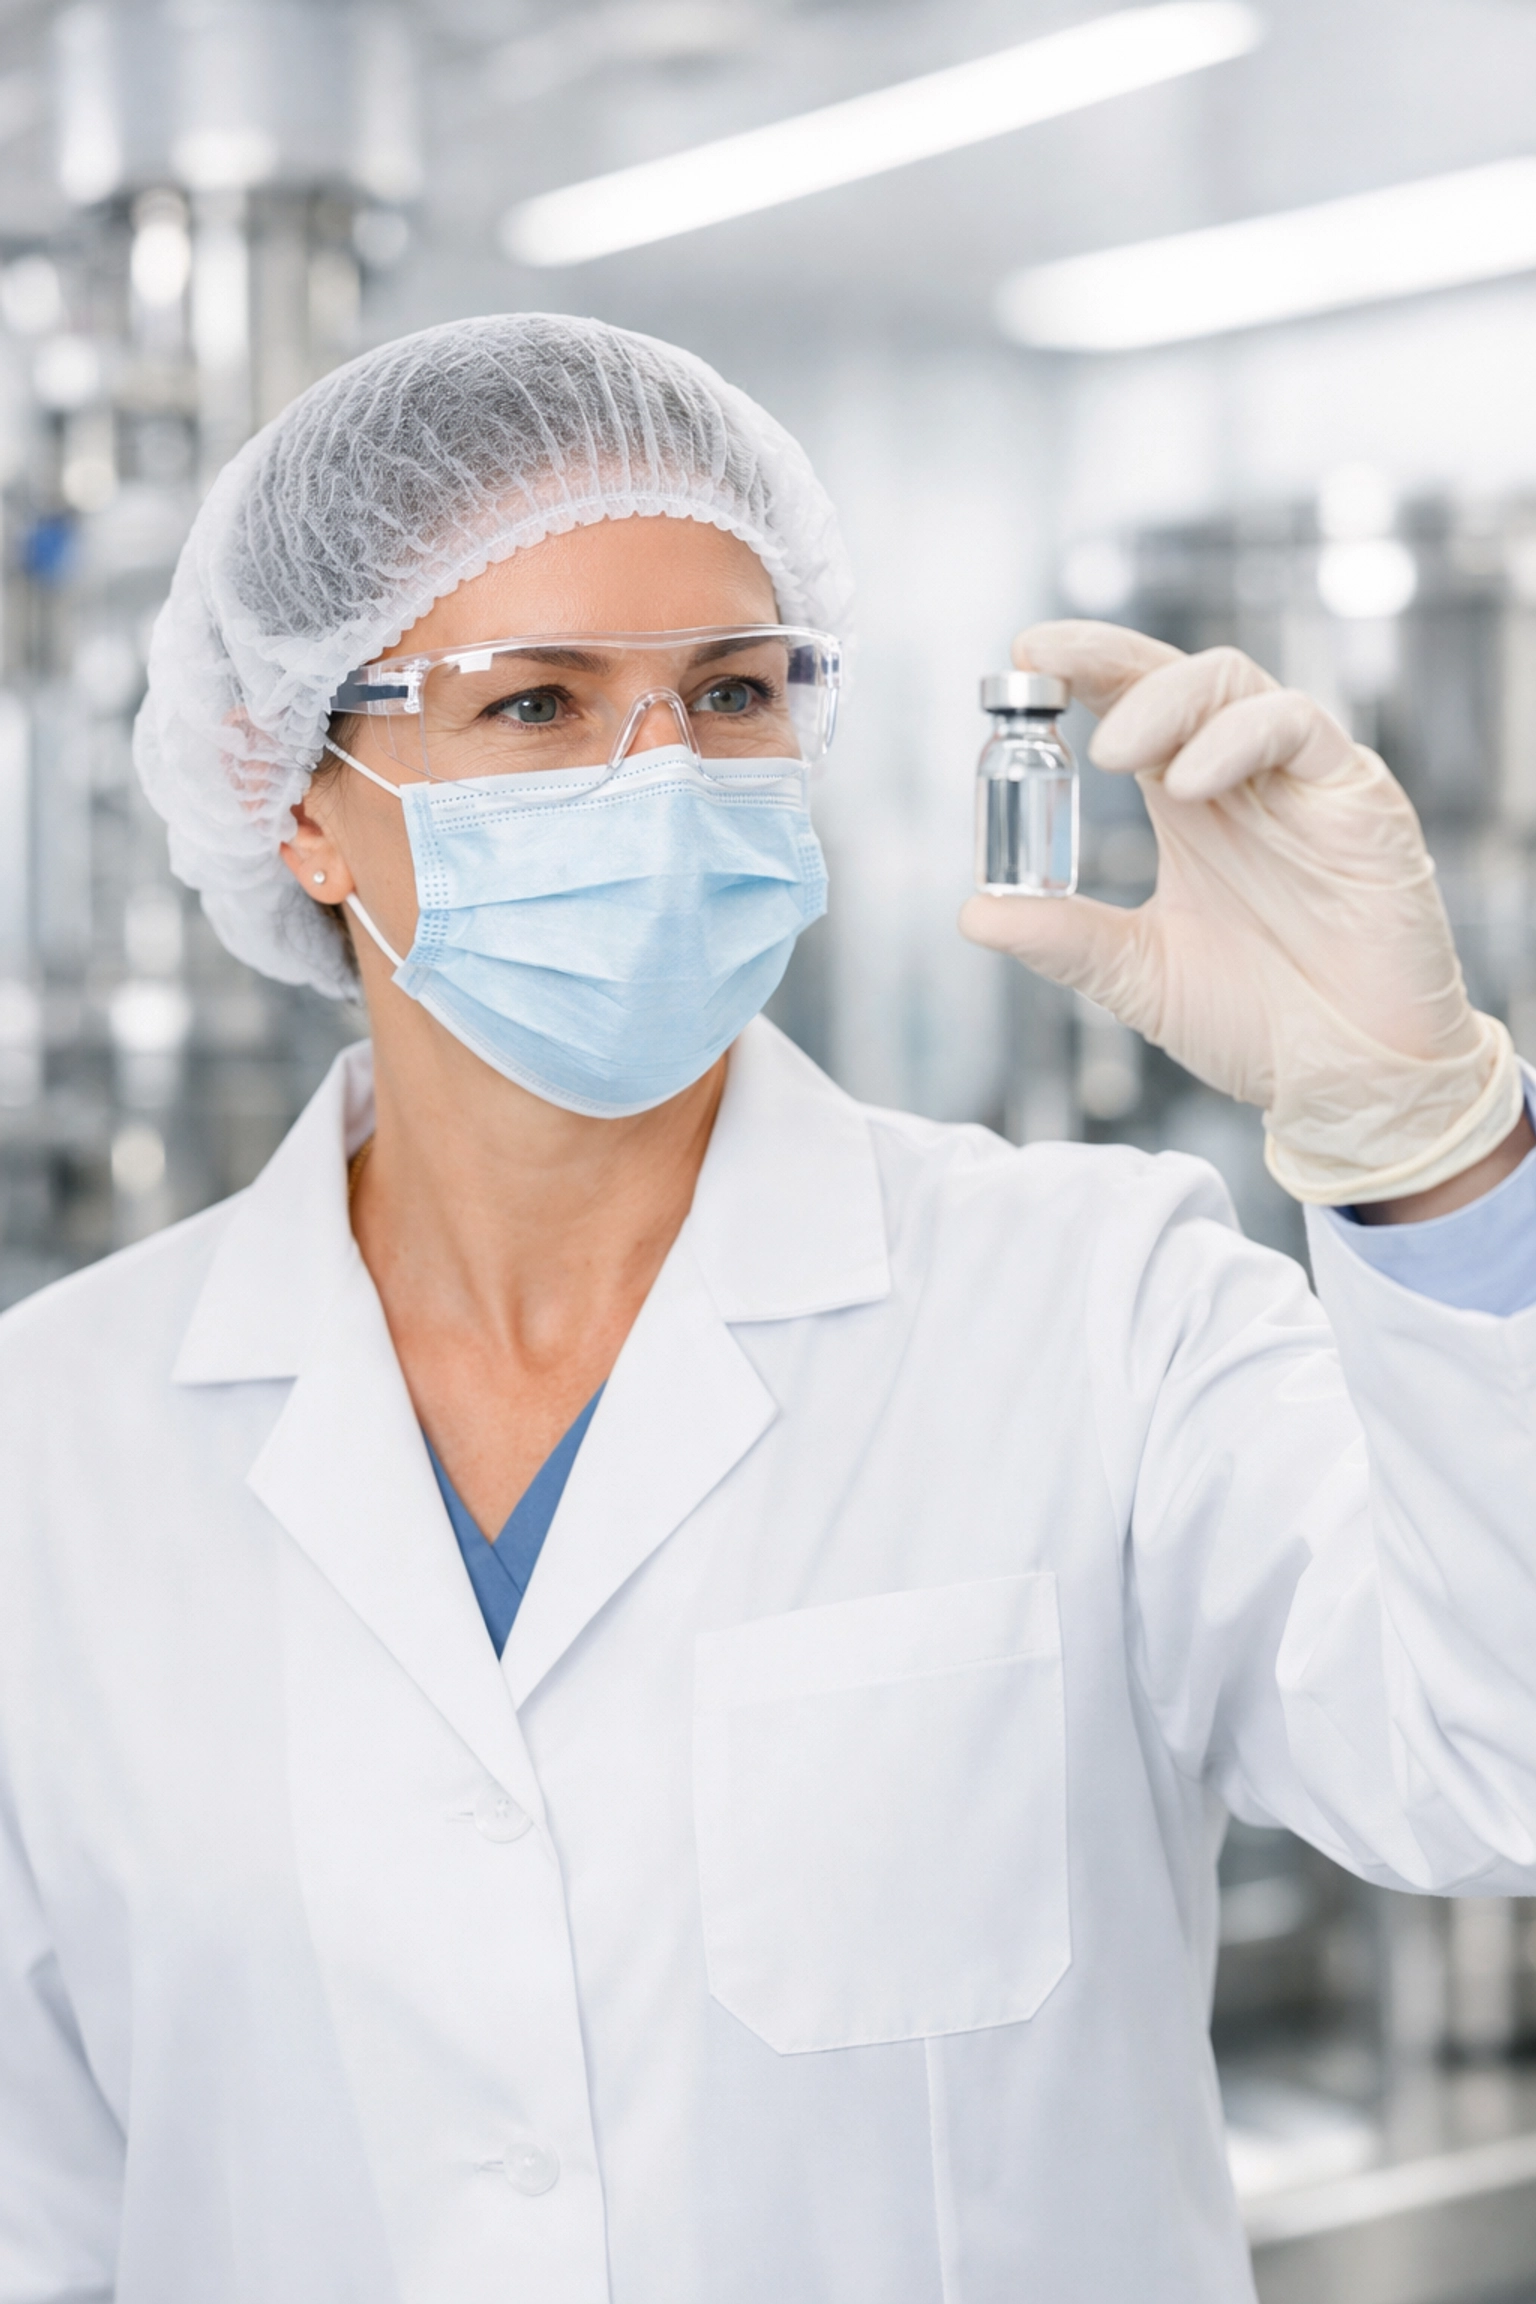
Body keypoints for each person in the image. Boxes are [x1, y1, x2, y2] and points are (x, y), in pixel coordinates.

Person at [2, 313, 1535, 2304]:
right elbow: (39, 2209)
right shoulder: (54, 1440)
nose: (663, 781)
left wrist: (1434, 1143)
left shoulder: (1087, 1301)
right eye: (537, 707)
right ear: (295, 795)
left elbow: (1496, 1764)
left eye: (730, 691)